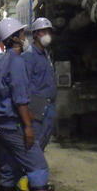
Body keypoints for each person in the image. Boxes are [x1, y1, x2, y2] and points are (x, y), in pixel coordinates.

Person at [0, 18, 66, 191]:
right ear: (14, 38)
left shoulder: (2, 60)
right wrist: (29, 127)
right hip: (13, 124)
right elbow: (20, 98)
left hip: (1, 124)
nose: (25, 38)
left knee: (9, 166)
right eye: (22, 34)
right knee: (38, 166)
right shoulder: (18, 62)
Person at [22, 18, 57, 151]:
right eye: (43, 31)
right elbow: (25, 86)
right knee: (34, 145)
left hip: (49, 106)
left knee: (43, 142)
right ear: (36, 34)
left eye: (49, 31)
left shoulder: (45, 54)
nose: (47, 35)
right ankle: (33, 170)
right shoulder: (29, 56)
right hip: (37, 109)